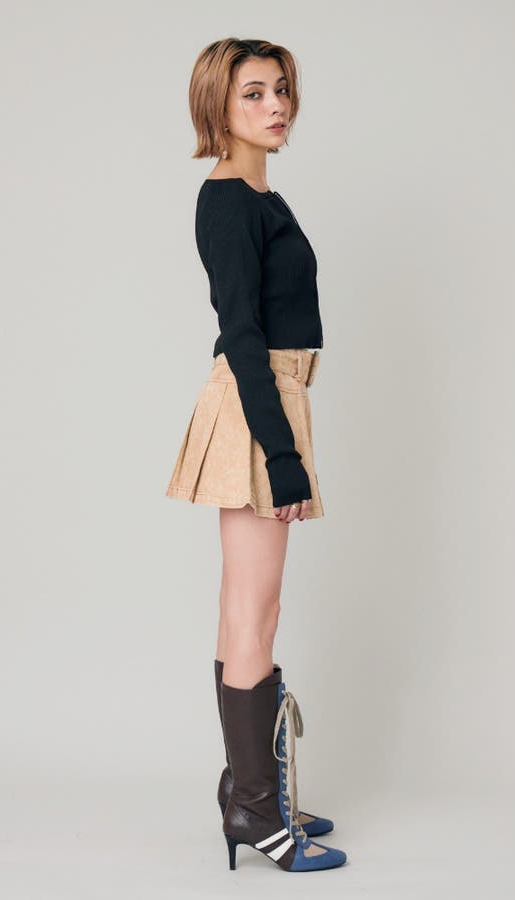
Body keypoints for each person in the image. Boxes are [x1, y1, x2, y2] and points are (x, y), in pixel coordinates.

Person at [164, 38, 348, 872]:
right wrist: (282, 455)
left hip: (271, 397)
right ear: (219, 106)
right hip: (255, 402)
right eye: (253, 94)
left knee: (246, 606)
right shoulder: (229, 200)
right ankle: (254, 811)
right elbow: (241, 332)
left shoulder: (260, 194)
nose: (275, 106)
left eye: (281, 90)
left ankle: (249, 791)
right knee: (255, 611)